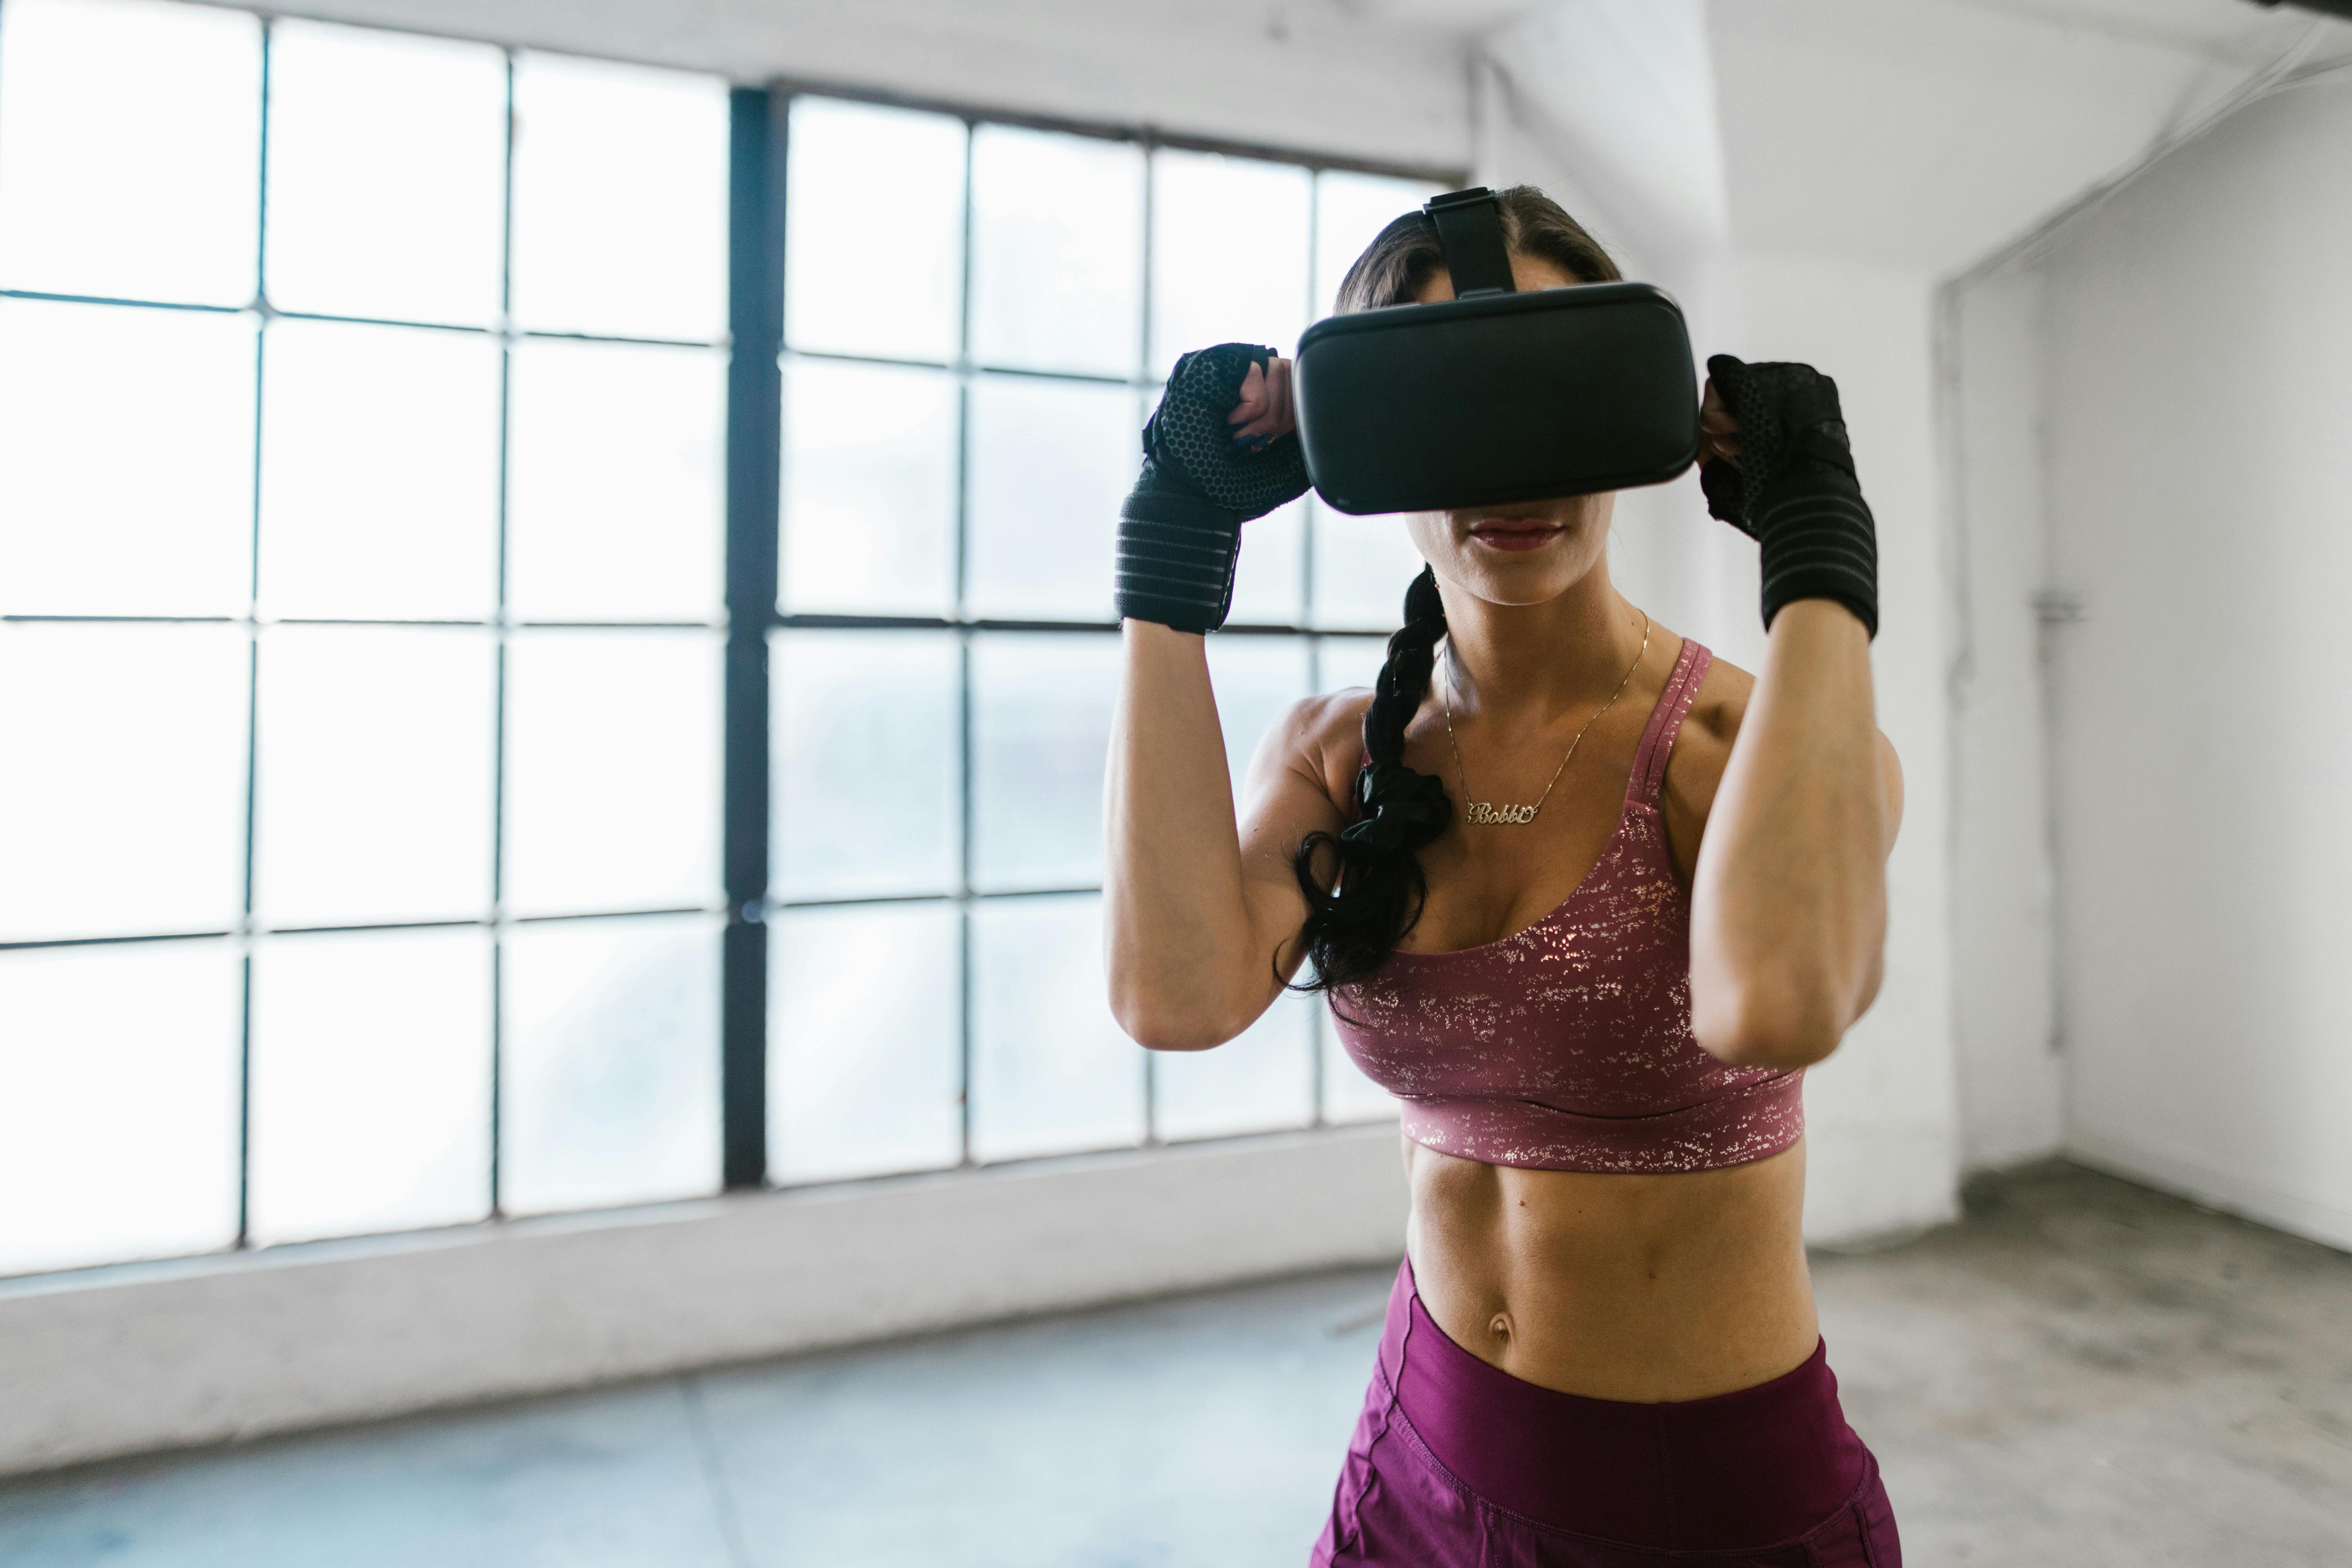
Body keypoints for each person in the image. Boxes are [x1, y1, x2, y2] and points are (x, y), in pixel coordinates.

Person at [1103, 185, 1904, 1564]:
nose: (1505, 468)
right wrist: (1170, 560)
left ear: (1617, 408)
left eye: (1541, 389)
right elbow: (1173, 996)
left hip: (1695, 1499)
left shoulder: (1734, 739)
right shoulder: (1345, 753)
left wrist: (1816, 546)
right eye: (1445, 402)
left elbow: (1779, 1007)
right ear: (1364, 438)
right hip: (1417, 1445)